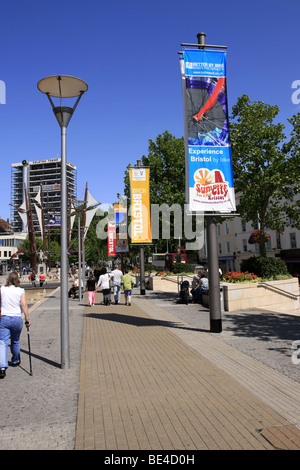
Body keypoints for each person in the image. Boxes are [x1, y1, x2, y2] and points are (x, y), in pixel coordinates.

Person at [0, 271, 30, 379]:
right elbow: (24, 305)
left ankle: (2, 367)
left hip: (4, 318)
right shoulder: (20, 290)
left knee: (2, 342)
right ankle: (16, 360)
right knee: (15, 340)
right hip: (17, 318)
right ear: (17, 280)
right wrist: (27, 319)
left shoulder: (2, 289)